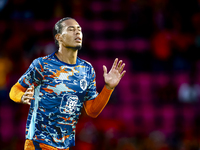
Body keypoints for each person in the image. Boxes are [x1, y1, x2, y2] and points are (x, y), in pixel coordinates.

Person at [9, 17, 126, 150]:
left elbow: (92, 111)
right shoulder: (42, 64)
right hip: (38, 144)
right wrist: (22, 97)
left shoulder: (87, 69)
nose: (77, 33)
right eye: (71, 29)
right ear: (59, 37)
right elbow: (15, 89)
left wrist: (108, 88)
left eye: (79, 30)